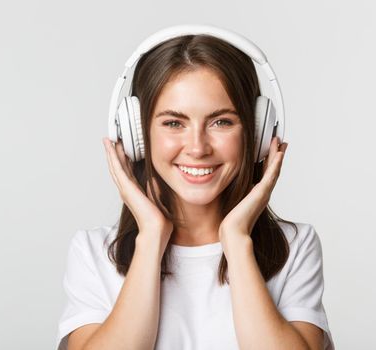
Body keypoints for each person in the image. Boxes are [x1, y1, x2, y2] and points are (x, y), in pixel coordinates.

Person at [56, 25, 335, 350]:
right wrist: (150, 237)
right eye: (174, 123)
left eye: (222, 122)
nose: (198, 147)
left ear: (256, 133)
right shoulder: (93, 253)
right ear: (137, 136)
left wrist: (236, 238)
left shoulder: (295, 247)